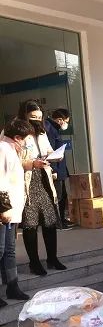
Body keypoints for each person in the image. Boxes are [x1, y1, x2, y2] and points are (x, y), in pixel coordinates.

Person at [18, 100, 67, 276]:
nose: (37, 121)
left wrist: (55, 156)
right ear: (24, 116)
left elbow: (48, 150)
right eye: (33, 117)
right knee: (30, 224)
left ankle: (52, 258)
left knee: (49, 221)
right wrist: (32, 163)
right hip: (27, 183)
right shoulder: (15, 132)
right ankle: (34, 262)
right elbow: (10, 160)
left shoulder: (42, 131)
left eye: (39, 117)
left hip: (44, 180)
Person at [0, 119, 35, 307]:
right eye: (25, 140)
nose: (26, 144)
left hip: (12, 210)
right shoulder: (2, 149)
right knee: (0, 250)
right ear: (17, 137)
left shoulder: (11, 150)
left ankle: (13, 286)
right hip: (4, 211)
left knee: (9, 250)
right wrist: (3, 209)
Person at [44, 108, 74, 229]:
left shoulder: (54, 129)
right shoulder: (49, 129)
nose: (66, 124)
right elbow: (50, 152)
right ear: (60, 119)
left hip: (60, 169)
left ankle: (62, 219)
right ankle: (57, 222)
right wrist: (54, 170)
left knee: (63, 196)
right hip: (55, 170)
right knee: (58, 197)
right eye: (66, 121)